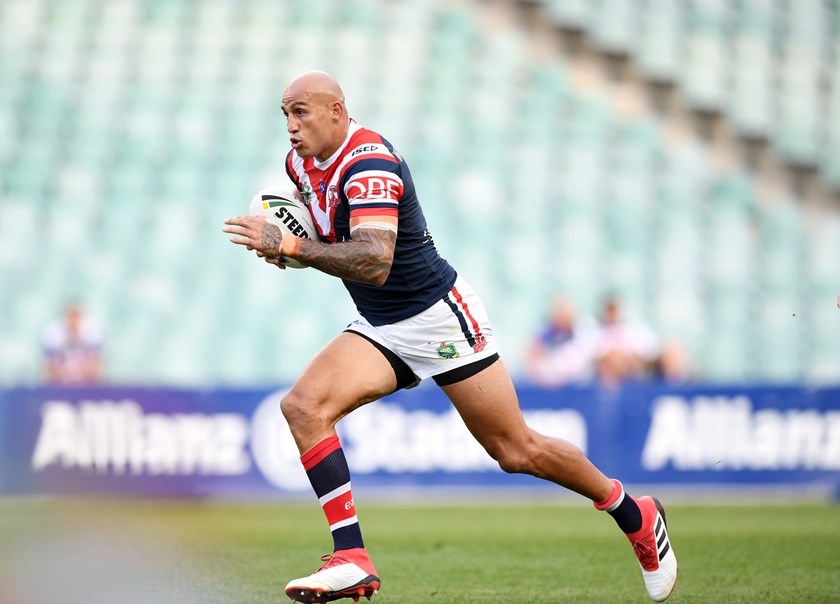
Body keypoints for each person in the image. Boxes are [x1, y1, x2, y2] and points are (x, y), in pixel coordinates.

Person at [223, 71, 677, 603]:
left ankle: (635, 514)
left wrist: (296, 249)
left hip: (438, 317)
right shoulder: (297, 166)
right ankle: (351, 557)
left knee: (515, 449)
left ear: (337, 112)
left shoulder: (368, 162)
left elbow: (373, 259)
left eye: (301, 112)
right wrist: (289, 249)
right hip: (381, 325)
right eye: (285, 114)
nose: (291, 126)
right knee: (303, 407)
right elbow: (330, 237)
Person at [526, 296, 598, 387]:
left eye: (565, 314)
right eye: (559, 314)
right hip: (551, 387)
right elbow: (534, 363)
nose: (562, 318)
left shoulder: (583, 332)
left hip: (579, 386)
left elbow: (584, 364)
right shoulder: (545, 334)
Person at [594, 296, 661, 389]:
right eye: (610, 310)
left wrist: (630, 358)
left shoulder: (636, 329)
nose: (613, 314)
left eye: (615, 310)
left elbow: (652, 351)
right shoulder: (596, 332)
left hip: (634, 377)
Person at [41, 301, 104, 386]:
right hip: (61, 385)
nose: (73, 321)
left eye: (76, 317)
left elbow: (95, 368)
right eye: (70, 317)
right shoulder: (54, 333)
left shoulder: (91, 331)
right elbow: (50, 370)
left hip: (85, 385)